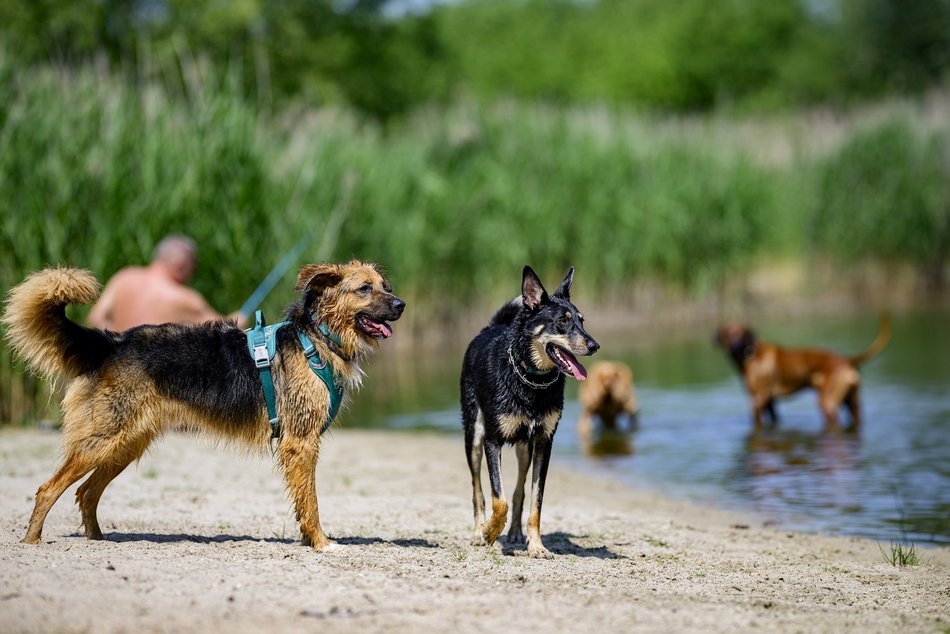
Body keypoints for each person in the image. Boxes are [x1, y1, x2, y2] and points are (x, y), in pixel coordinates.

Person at [88, 234, 247, 331]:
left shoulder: (124, 277)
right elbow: (223, 328)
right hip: (153, 377)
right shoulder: (184, 298)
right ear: (182, 266)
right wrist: (238, 319)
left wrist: (118, 346)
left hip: (116, 368)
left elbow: (96, 318)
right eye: (193, 268)